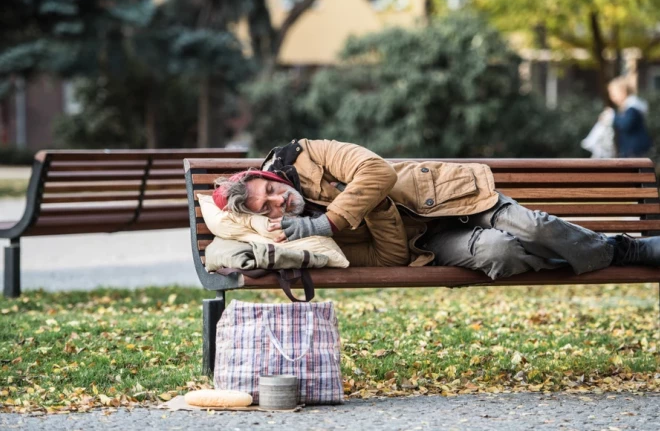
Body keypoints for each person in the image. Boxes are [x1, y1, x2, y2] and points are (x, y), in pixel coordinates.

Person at [212, 138, 660, 280]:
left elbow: (376, 170)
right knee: (499, 255)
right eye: (265, 207)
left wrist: (326, 219)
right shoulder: (304, 238)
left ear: (268, 177)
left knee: (534, 227)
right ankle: (599, 253)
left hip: (449, 197)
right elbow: (389, 258)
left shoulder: (307, 152)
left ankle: (621, 249)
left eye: (268, 190)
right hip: (432, 241)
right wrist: (366, 211)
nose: (276, 201)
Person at [608, 76, 652, 157]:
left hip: (635, 150)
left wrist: (612, 117)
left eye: (614, 94)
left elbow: (626, 125)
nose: (612, 98)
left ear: (623, 92)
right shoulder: (629, 107)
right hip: (631, 149)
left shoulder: (632, 107)